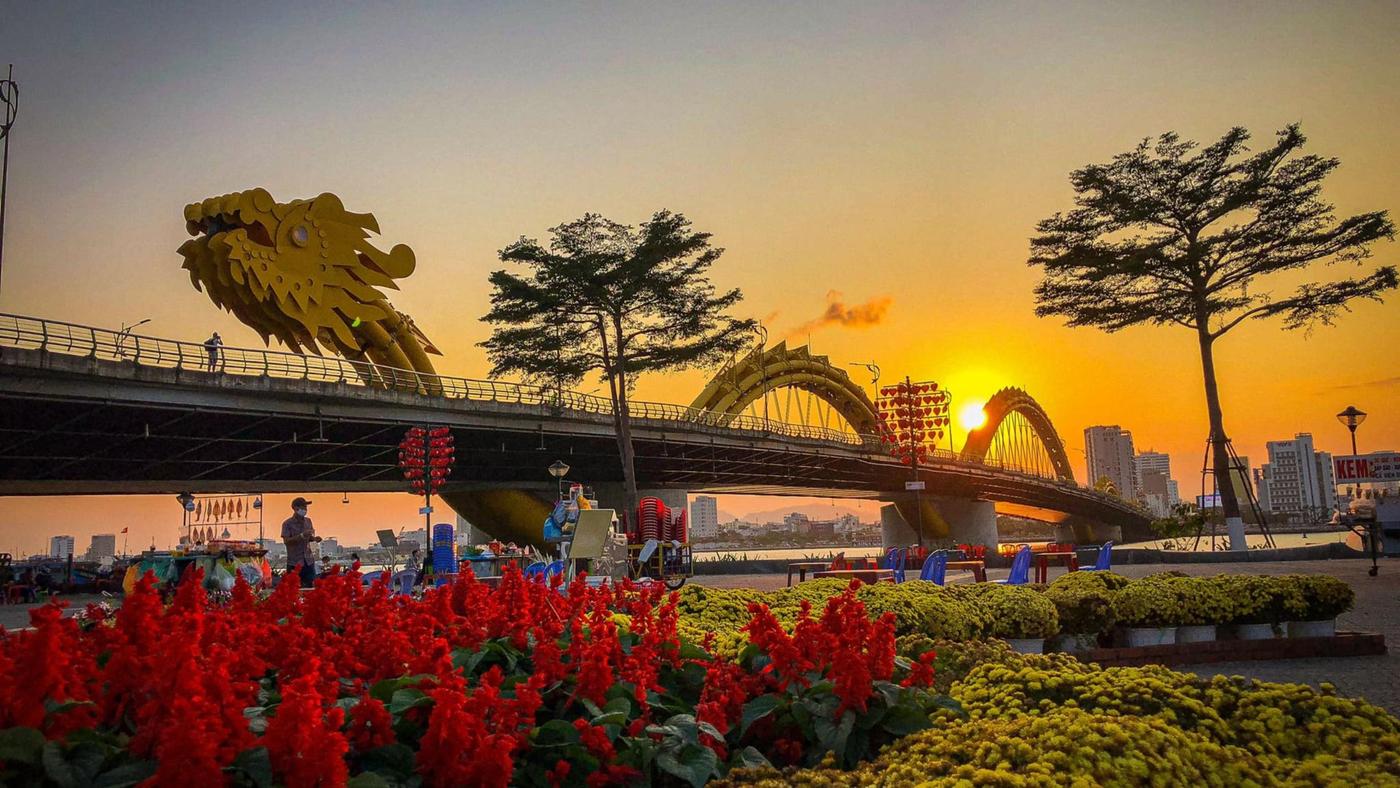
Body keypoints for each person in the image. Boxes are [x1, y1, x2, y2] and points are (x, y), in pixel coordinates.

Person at [281, 497, 321, 588]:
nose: (305, 509)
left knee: (310, 588)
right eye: (303, 507)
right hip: (294, 562)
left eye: (306, 507)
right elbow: (286, 541)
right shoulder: (287, 524)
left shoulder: (308, 521)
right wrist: (301, 535)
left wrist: (314, 539)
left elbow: (309, 537)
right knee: (293, 589)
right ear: (295, 508)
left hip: (308, 561)